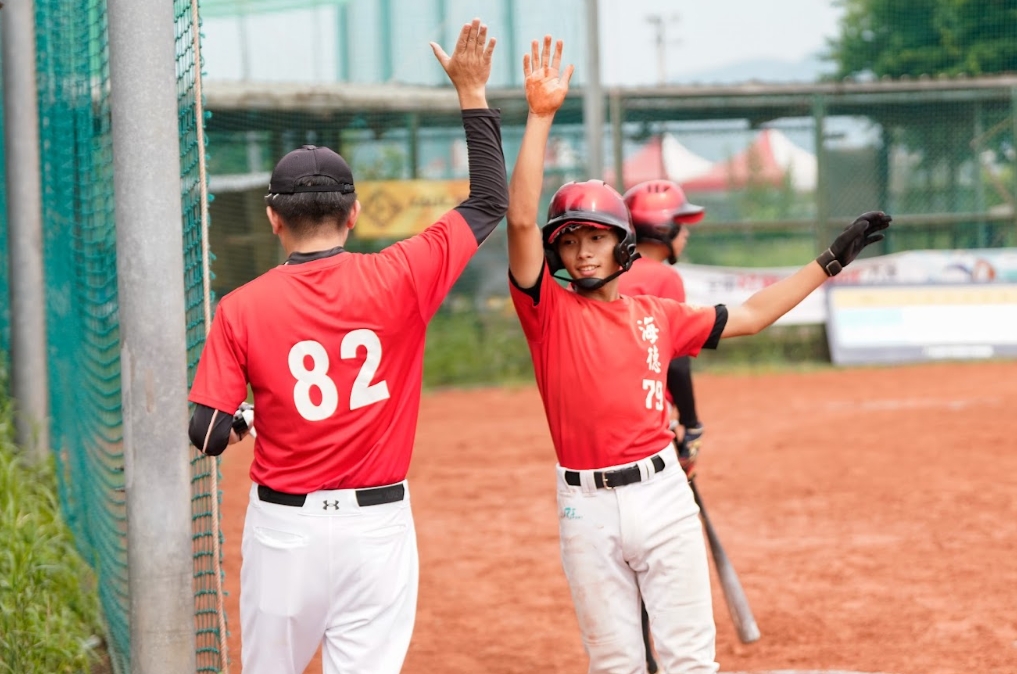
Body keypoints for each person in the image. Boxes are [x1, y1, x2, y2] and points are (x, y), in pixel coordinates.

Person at [505, 35, 890, 674]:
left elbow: (752, 315)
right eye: (569, 242)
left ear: (623, 245)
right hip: (585, 506)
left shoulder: (658, 314)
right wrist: (541, 116)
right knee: (618, 666)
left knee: (688, 663)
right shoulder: (546, 312)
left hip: (661, 494)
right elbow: (520, 222)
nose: (583, 253)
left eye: (596, 237)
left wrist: (829, 261)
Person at [186, 19, 507, 674]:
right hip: (375, 529)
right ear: (353, 214)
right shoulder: (401, 275)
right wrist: (471, 92)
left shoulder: (240, 308)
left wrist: (247, 418)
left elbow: (208, 433)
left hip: (284, 533)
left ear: (273, 219)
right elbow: (487, 202)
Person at [616, 179, 707, 674]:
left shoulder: (614, 270)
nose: (686, 234)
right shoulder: (664, 279)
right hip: (654, 425)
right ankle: (658, 658)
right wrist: (690, 426)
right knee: (664, 549)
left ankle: (641, 654)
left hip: (614, 426)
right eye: (682, 224)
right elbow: (677, 364)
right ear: (663, 227)